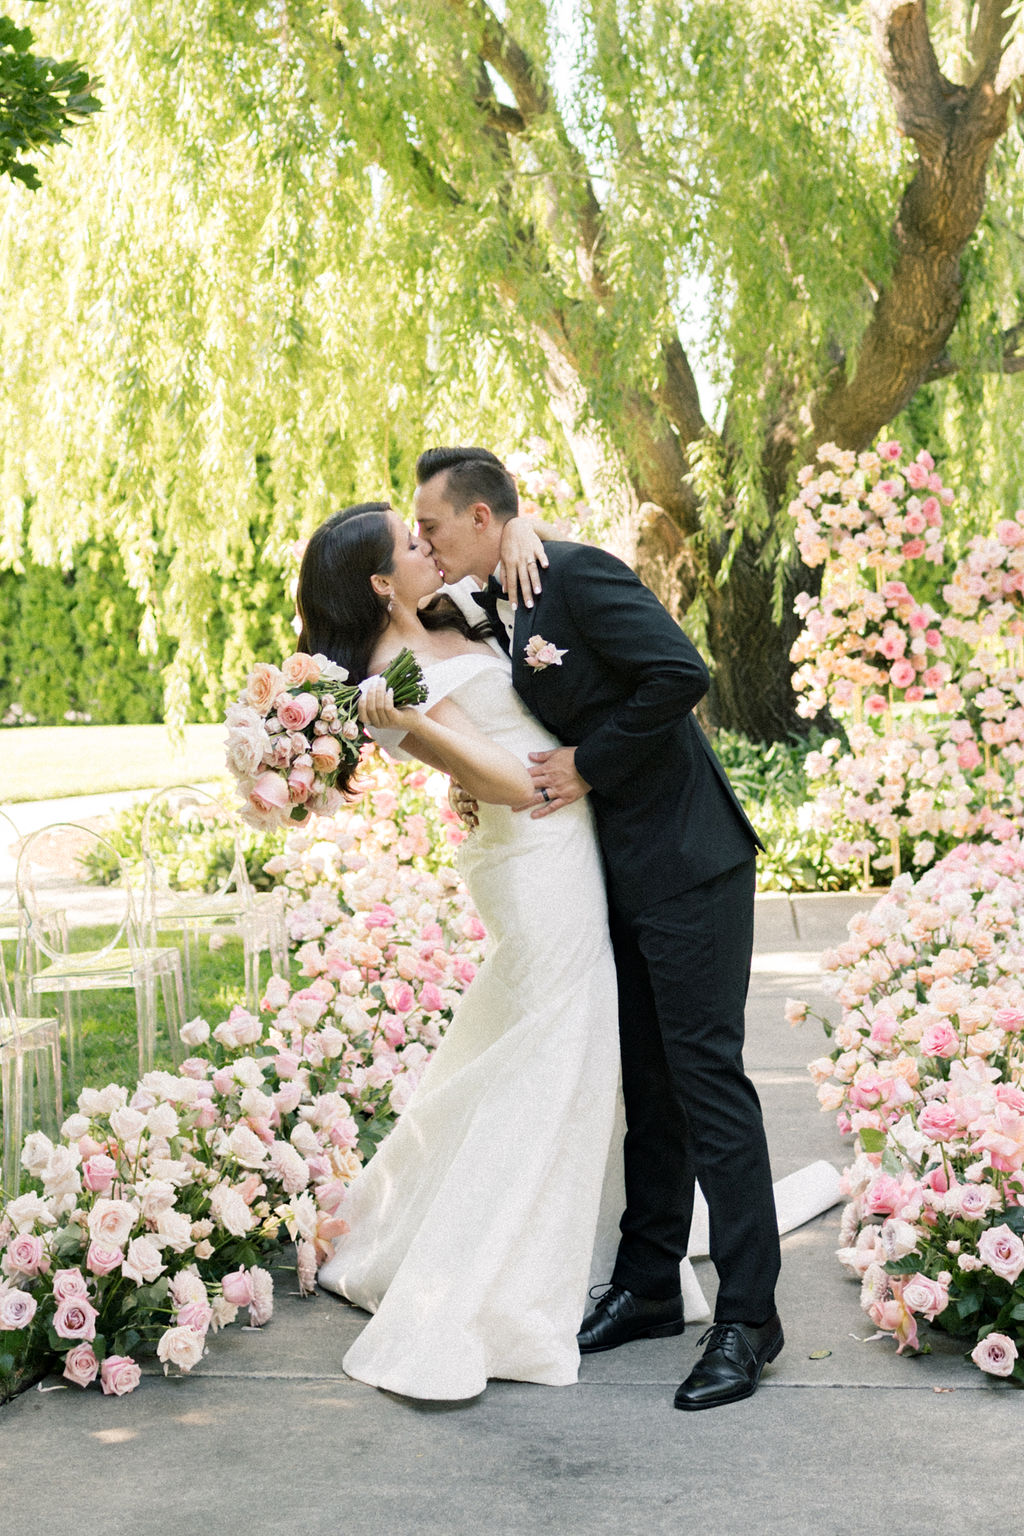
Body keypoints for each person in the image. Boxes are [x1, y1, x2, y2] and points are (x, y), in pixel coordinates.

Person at [411, 447, 783, 1410]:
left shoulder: (573, 574)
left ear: (485, 517)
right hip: (610, 877)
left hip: (690, 862)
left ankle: (750, 1316)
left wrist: (587, 761)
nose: (422, 539)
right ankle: (651, 1285)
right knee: (650, 1088)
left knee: (708, 1083)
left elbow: (680, 672)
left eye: (434, 525)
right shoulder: (490, 600)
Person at [306, 501, 630, 1399]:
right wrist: (412, 724)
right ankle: (495, 1278)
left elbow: (508, 605)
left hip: (551, 844)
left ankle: (558, 1231)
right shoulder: (390, 674)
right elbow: (505, 781)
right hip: (536, 854)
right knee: (557, 1047)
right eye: (412, 545)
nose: (428, 545)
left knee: (535, 1043)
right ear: (380, 584)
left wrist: (521, 531)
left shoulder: (440, 617)